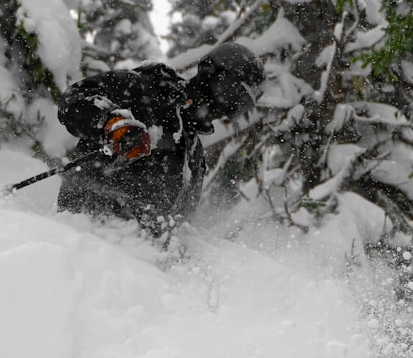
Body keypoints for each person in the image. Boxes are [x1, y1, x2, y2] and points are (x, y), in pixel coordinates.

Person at [56, 42, 265, 236]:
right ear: (210, 70)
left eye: (239, 106)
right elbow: (74, 98)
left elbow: (178, 223)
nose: (226, 107)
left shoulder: (194, 155)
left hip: (135, 261)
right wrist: (111, 123)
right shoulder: (147, 88)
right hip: (84, 232)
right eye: (230, 94)